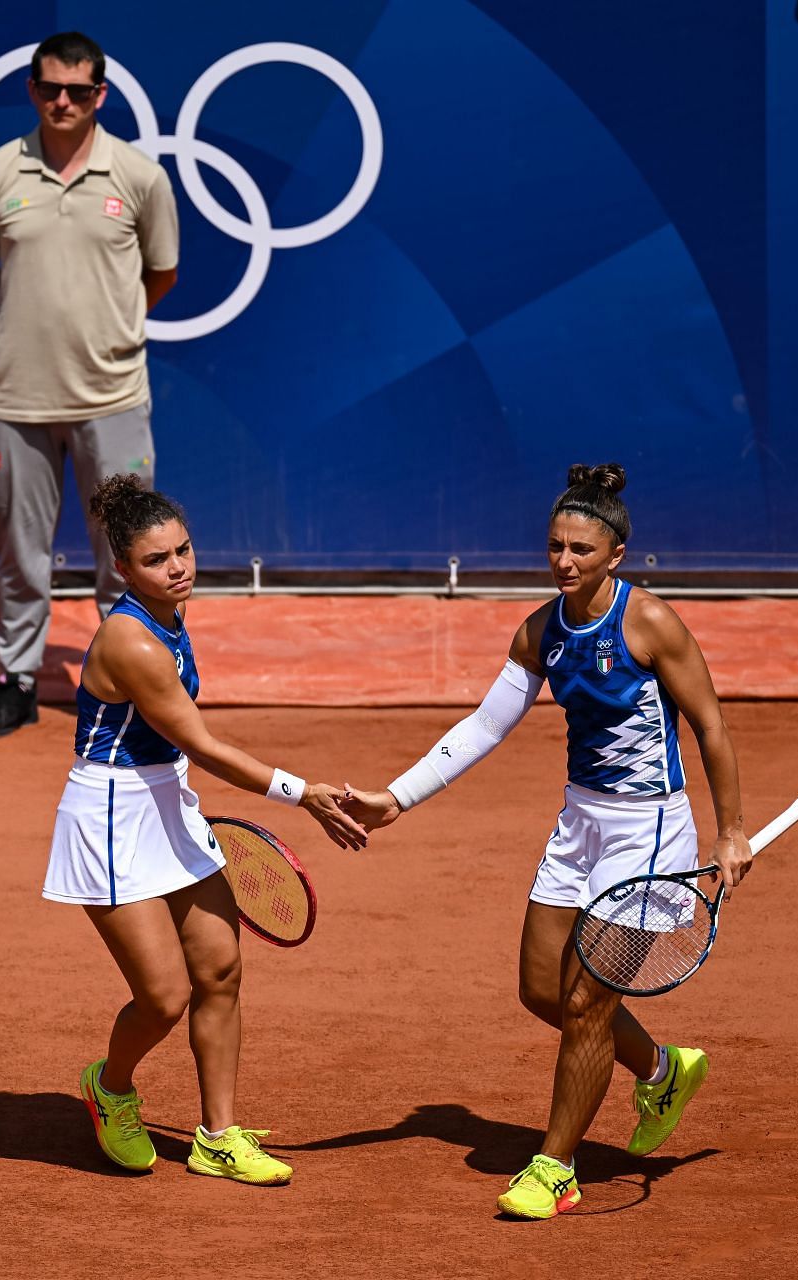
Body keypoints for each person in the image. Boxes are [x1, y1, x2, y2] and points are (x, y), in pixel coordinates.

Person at [343, 463, 751, 1219]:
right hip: (579, 824)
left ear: (616, 556)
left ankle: (554, 1166)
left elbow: (711, 727)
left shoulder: (651, 623)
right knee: (541, 990)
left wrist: (729, 830)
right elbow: (485, 726)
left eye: (581, 551)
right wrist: (397, 798)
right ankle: (661, 1070)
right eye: (555, 546)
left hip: (649, 830)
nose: (564, 561)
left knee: (588, 1001)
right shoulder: (540, 630)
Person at [46, 473, 368, 1184]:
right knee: (164, 995)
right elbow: (204, 744)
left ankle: (217, 1138)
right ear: (123, 570)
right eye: (158, 561)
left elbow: (182, 754)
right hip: (110, 818)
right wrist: (300, 792)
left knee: (219, 970)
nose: (179, 567)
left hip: (169, 803)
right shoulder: (133, 642)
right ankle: (112, 1086)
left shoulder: (171, 616)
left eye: (184, 551)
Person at [0, 31, 180, 739]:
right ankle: (17, 680)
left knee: (131, 555)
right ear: (31, 90)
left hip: (112, 395)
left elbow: (161, 274)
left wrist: (104, 331)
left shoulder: (140, 177)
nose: (63, 101)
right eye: (51, 88)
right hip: (19, 397)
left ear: (100, 96)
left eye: (79, 91)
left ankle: (133, 684)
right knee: (18, 551)